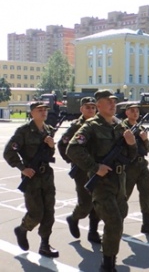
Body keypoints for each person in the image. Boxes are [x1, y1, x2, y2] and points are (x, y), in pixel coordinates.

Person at [66, 89, 137, 272]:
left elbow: (131, 156)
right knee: (114, 223)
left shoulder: (120, 125)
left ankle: (108, 258)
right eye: (108, 101)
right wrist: (95, 167)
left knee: (119, 219)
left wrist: (132, 143)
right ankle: (107, 265)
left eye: (114, 101)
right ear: (99, 105)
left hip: (119, 183)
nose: (113, 104)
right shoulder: (91, 126)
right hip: (102, 184)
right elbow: (72, 149)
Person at [3, 101, 59, 258]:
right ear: (32, 112)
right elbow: (9, 152)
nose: (43, 112)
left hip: (47, 176)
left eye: (45, 110)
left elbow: (49, 155)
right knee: (36, 213)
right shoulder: (24, 131)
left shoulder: (48, 130)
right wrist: (23, 168)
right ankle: (22, 229)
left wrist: (51, 145)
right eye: (39, 110)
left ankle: (44, 245)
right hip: (32, 177)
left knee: (49, 212)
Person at [57, 96, 101, 244]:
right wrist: (73, 160)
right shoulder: (76, 126)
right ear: (81, 109)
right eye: (87, 107)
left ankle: (93, 232)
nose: (90, 109)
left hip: (97, 168)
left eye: (93, 107)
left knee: (98, 201)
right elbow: (63, 145)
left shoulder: (99, 124)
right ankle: (73, 218)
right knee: (85, 204)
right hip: (82, 171)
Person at [122, 103, 149, 236]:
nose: (135, 113)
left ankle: (147, 223)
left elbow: (147, 150)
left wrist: (145, 139)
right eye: (132, 111)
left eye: (137, 111)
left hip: (142, 166)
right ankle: (117, 222)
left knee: (146, 195)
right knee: (123, 196)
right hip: (129, 167)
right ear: (126, 112)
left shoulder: (141, 127)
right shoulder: (122, 128)